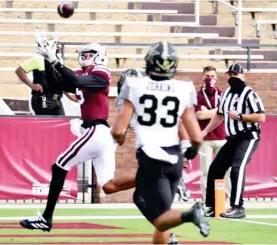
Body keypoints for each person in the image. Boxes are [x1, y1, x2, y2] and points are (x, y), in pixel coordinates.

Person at [19, 37, 135, 232]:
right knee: (108, 186)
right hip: (100, 134)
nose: (85, 57)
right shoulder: (83, 73)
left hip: (96, 131)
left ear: (99, 57)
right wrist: (48, 60)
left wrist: (56, 61)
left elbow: (74, 80)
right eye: (84, 54)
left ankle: (46, 218)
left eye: (89, 54)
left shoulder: (101, 72)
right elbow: (60, 82)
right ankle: (149, 177)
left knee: (59, 166)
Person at [111, 41, 210, 244]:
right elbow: (197, 137)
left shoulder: (136, 86)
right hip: (174, 159)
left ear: (149, 63)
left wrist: (117, 138)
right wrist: (191, 151)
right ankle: (172, 236)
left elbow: (118, 130)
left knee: (153, 211)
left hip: (151, 158)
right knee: (159, 214)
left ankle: (189, 215)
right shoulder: (183, 87)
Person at [203, 63, 265, 218]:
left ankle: (238, 207)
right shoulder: (226, 94)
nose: (232, 77)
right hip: (232, 139)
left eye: (235, 74)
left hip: (248, 136)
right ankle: (212, 207)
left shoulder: (249, 93)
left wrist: (240, 116)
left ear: (242, 76)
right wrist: (203, 131)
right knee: (215, 169)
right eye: (230, 75)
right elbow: (219, 116)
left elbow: (261, 117)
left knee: (237, 167)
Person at [195, 66, 231, 201]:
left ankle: (233, 200)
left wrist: (210, 112)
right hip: (206, 140)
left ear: (217, 77)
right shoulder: (198, 95)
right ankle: (207, 200)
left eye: (213, 76)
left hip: (222, 137)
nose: (210, 79)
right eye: (207, 76)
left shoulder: (222, 94)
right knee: (206, 171)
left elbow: (225, 113)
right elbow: (199, 115)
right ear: (203, 77)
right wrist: (218, 111)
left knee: (227, 169)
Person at [15, 41, 77, 115]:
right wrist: (31, 85)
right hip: (43, 98)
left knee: (61, 123)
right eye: (56, 45)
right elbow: (19, 70)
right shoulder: (38, 58)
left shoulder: (56, 61)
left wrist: (69, 96)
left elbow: (60, 81)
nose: (59, 47)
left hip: (57, 100)